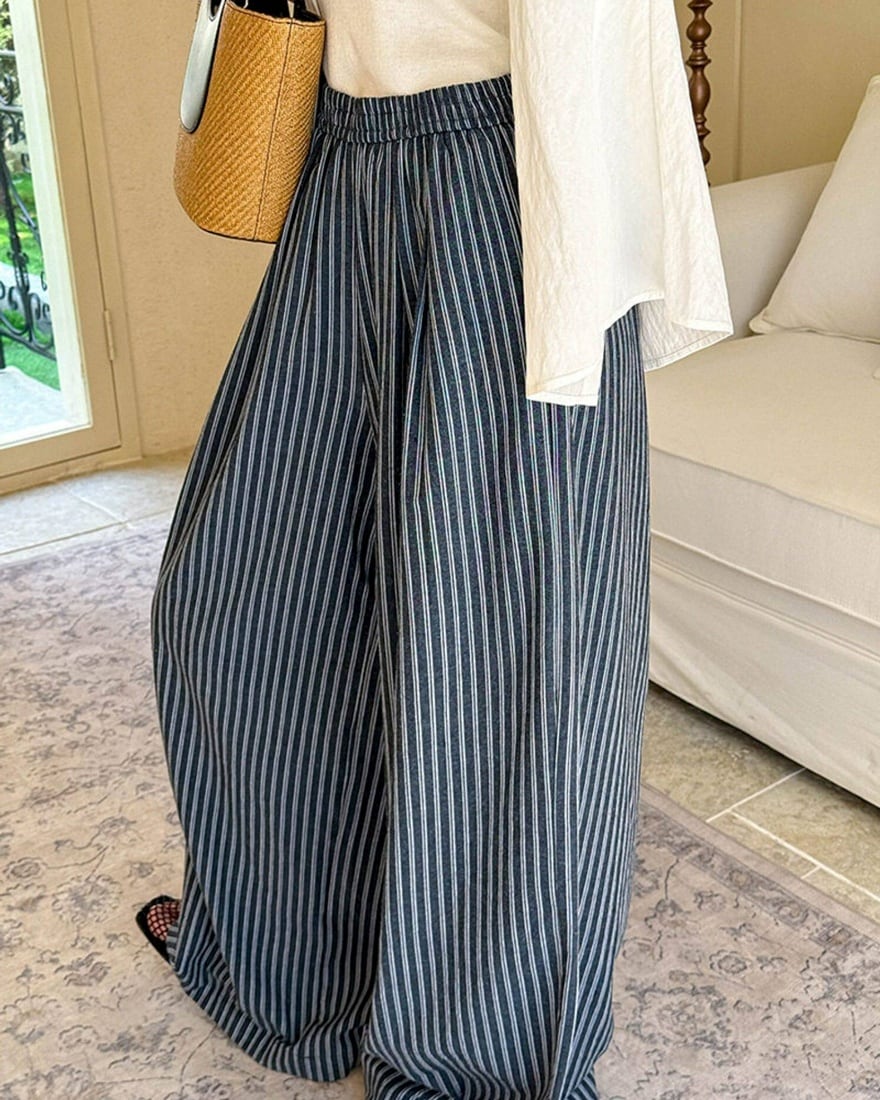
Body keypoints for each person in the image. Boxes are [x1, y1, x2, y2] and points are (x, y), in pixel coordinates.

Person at [137, 0, 733, 1095]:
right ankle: (300, 961)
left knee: (494, 671)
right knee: (240, 607)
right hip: (342, 167)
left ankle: (479, 1052)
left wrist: (569, 304)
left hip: (503, 177)